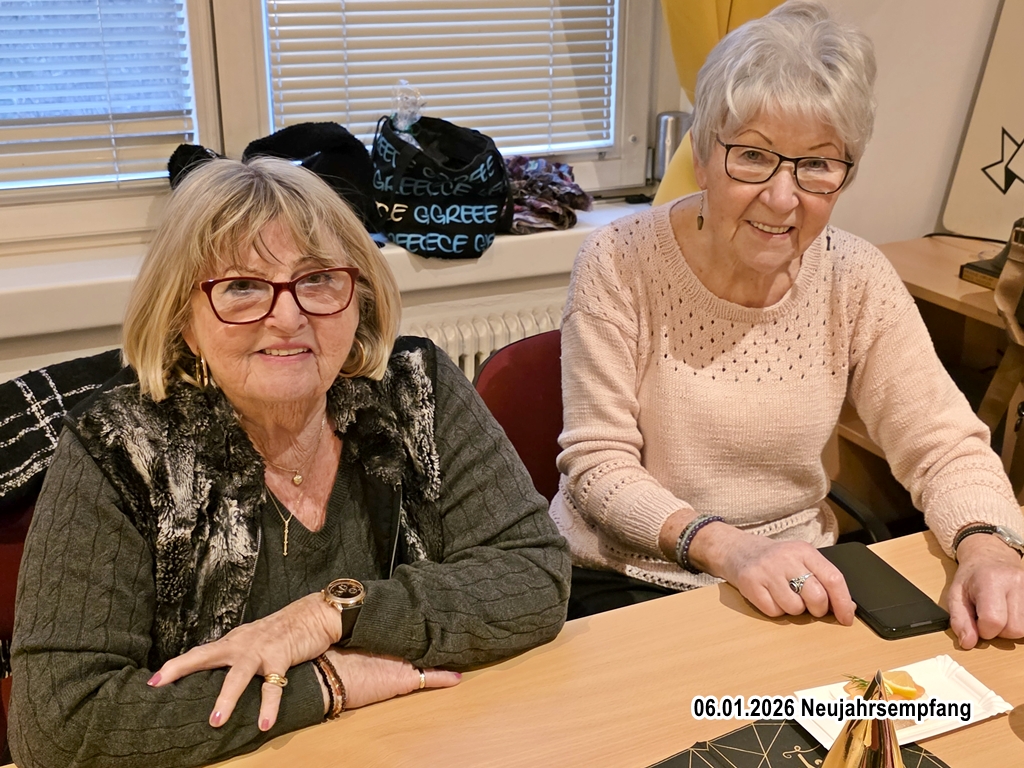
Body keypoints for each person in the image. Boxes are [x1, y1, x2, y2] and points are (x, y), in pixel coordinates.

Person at [9, 157, 570, 768]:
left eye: (318, 279)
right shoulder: (118, 448)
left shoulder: (416, 388)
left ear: (358, 299)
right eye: (241, 287)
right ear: (183, 322)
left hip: (434, 742)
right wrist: (328, 683)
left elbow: (534, 575)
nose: (287, 316)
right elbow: (60, 726)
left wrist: (333, 613)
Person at [551, 0, 1024, 647]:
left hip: (796, 576)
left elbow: (945, 445)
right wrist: (727, 547)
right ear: (703, 153)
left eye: (817, 165)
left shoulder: (855, 275)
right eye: (752, 155)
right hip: (626, 575)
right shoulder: (618, 260)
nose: (782, 197)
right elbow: (598, 465)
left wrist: (988, 545)